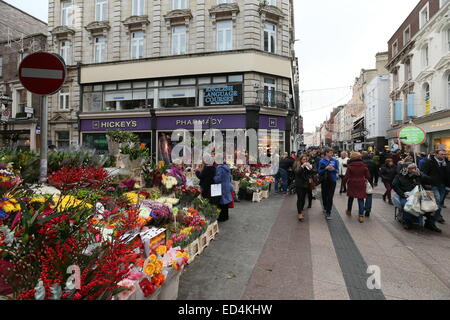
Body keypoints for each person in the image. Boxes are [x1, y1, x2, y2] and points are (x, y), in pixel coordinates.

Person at [392, 163, 441, 232]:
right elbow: (395, 185)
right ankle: (407, 221)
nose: (413, 170)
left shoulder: (418, 175)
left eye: (414, 168)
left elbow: (430, 180)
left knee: (433, 206)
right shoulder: (399, 176)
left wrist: (421, 175)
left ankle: (430, 223)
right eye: (411, 168)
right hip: (406, 195)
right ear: (406, 169)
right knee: (407, 205)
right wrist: (402, 194)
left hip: (420, 195)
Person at [421, 150, 450, 224]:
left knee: (439, 203)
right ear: (436, 154)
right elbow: (423, 173)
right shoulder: (429, 162)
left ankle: (433, 219)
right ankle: (431, 219)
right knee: (437, 200)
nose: (443, 156)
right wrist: (425, 184)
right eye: (441, 154)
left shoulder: (446, 163)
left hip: (443, 185)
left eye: (444, 154)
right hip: (433, 185)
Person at [344, 152, 372, 223]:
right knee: (361, 199)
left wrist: (343, 184)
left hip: (352, 183)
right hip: (361, 183)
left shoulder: (350, 166)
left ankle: (349, 211)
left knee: (351, 198)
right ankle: (361, 216)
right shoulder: (364, 165)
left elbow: (346, 176)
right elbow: (368, 176)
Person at [318, 148, 339, 220]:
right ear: (326, 153)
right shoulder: (321, 161)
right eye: (330, 153)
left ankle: (328, 212)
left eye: (332, 153)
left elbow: (337, 170)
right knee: (324, 195)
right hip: (324, 180)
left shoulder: (335, 161)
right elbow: (319, 172)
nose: (331, 154)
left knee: (330, 196)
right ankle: (325, 206)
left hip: (332, 180)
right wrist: (326, 168)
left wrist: (333, 169)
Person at [294, 156, 314, 222]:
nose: (305, 161)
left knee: (303, 199)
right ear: (300, 160)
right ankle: (299, 213)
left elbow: (311, 173)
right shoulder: (297, 165)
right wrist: (302, 166)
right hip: (299, 184)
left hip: (306, 184)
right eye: (303, 159)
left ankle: (301, 210)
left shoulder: (307, 165)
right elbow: (297, 173)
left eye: (306, 159)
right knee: (300, 198)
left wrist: (311, 168)